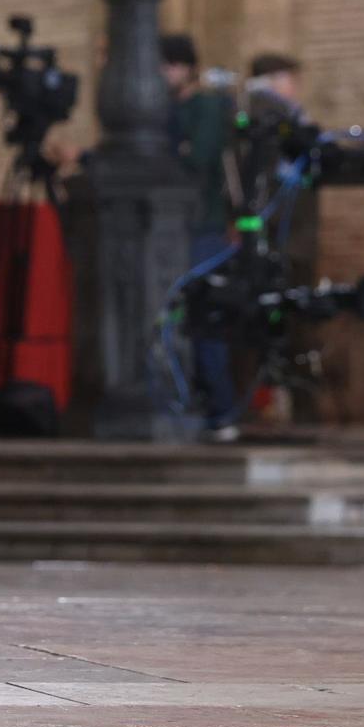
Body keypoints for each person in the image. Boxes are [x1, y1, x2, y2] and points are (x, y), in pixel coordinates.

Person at [161, 34, 240, 440]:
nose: (163, 75)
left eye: (169, 66)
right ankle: (183, 404)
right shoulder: (164, 110)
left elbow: (198, 159)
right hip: (167, 232)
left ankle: (221, 412)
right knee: (171, 324)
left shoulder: (207, 106)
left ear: (187, 67)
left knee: (206, 321)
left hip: (204, 228)